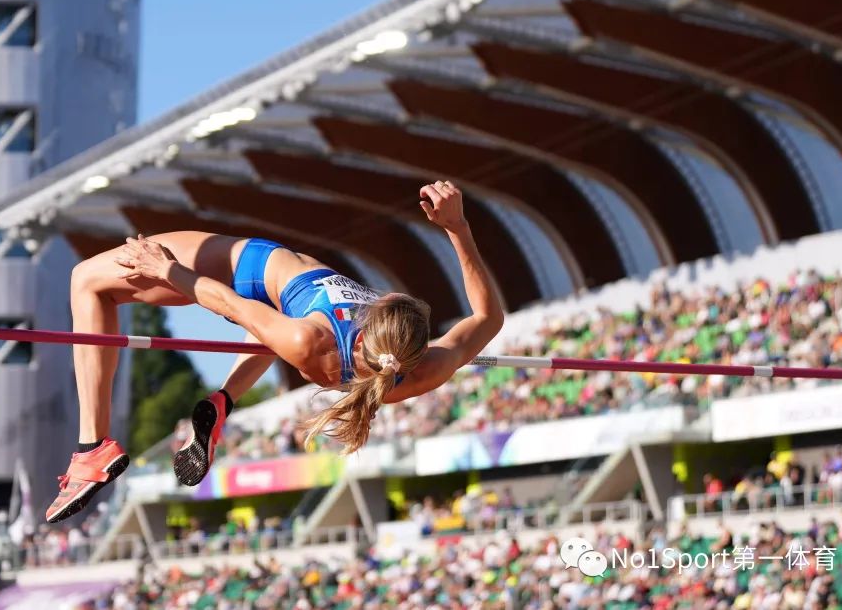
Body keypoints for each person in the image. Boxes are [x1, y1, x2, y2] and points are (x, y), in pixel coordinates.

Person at [45, 181, 504, 522]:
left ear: (366, 330)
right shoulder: (422, 371)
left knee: (87, 280)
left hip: (251, 271)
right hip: (287, 320)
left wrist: (167, 269)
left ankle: (93, 446)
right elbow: (488, 319)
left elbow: (233, 304)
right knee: (274, 328)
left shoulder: (310, 340)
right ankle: (222, 402)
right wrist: (458, 229)